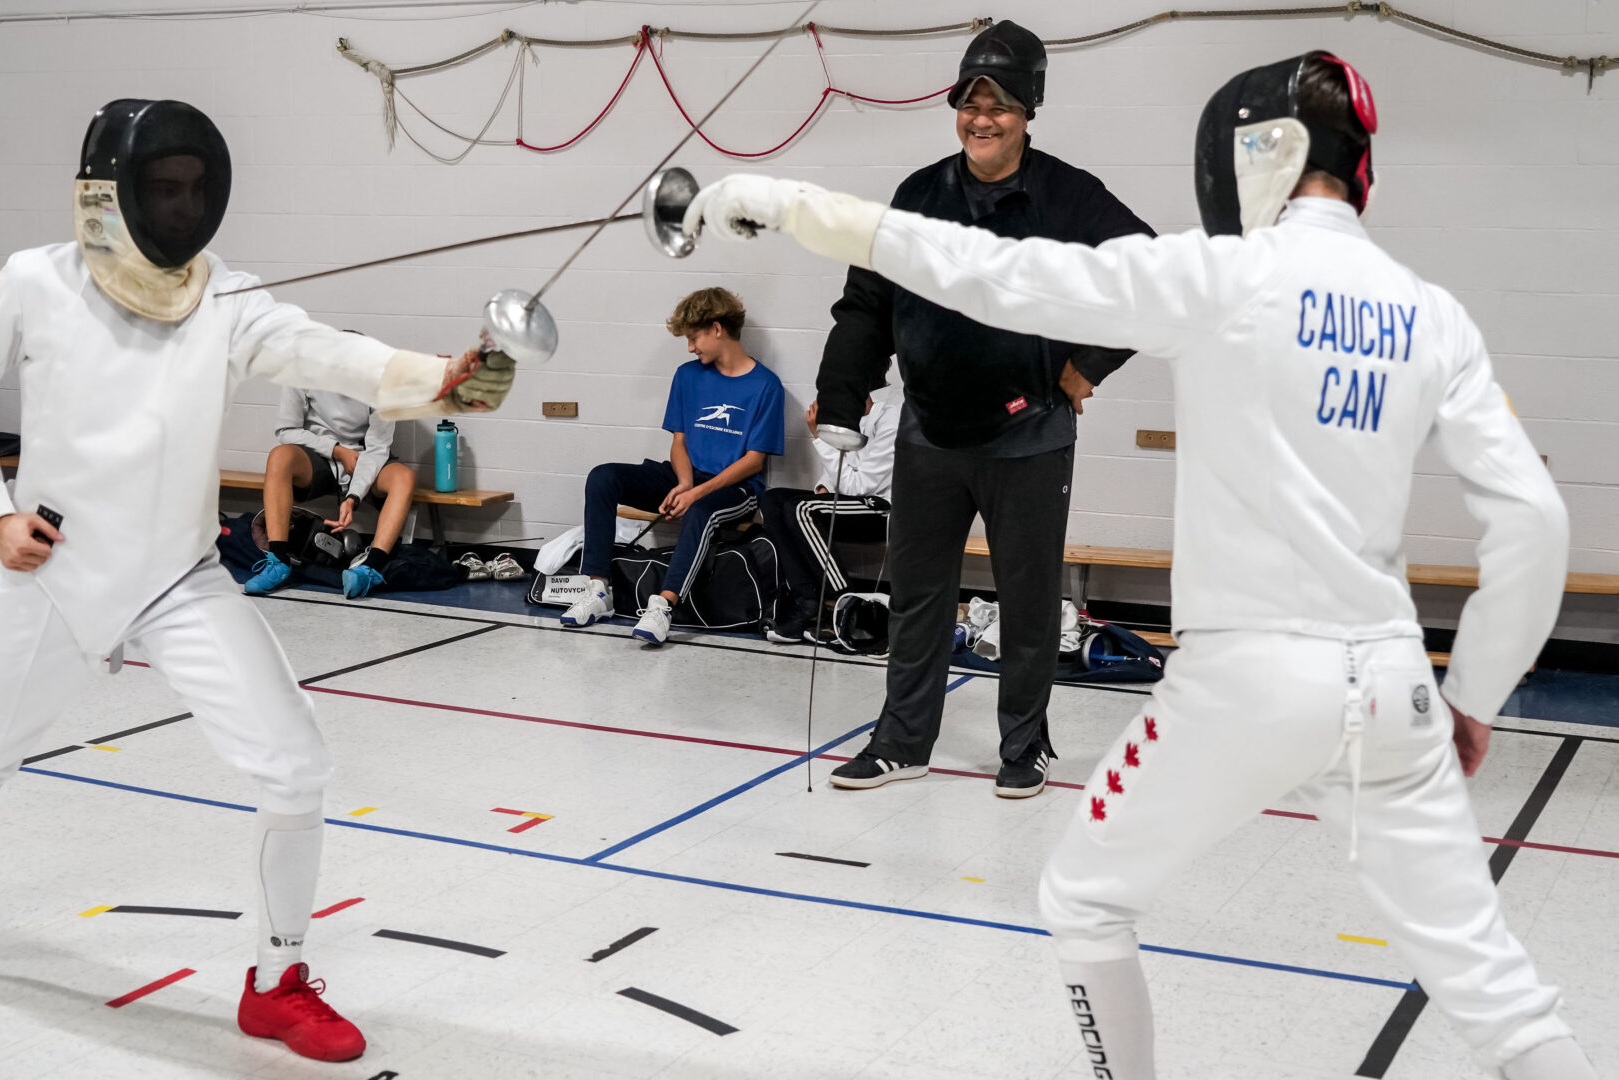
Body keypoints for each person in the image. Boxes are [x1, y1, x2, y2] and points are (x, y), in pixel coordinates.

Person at [682, 48, 1596, 1080]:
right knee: (1503, 999)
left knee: (1082, 901)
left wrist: (793, 203)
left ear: (1251, 155)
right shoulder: (1433, 314)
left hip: (1243, 682)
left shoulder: (1221, 275)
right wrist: (1473, 696)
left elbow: (992, 272)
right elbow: (1533, 521)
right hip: (1392, 686)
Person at [0, 99, 513, 1063]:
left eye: (197, 186)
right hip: (51, 576)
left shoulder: (226, 297)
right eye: (165, 186)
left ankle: (277, 980)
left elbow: (327, 352)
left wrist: (440, 377)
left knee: (295, 766)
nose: (184, 206)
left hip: (179, 578)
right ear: (109, 192)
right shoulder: (34, 279)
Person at [769, 21, 1155, 798]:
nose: (983, 119)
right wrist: (843, 388)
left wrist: (1086, 368)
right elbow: (867, 302)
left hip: (1030, 435)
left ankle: (1026, 746)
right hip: (930, 434)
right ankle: (902, 740)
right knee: (917, 594)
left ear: (1029, 110)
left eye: (1001, 106)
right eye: (971, 103)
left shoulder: (1066, 196)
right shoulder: (918, 196)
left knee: (1028, 597)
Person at [560, 287, 784, 645]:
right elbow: (679, 440)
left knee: (702, 509)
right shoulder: (687, 375)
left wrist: (696, 492)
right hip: (686, 477)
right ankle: (599, 590)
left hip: (735, 488)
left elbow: (753, 461)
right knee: (603, 477)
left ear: (716, 328)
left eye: (693, 338)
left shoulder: (766, 386)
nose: (691, 348)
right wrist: (683, 483)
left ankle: (663, 607)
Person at [244, 383, 418, 600]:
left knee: (404, 477)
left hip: (367, 460)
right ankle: (279, 561)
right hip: (320, 457)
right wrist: (336, 450)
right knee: (280, 456)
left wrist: (353, 497)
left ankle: (370, 569)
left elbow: (377, 449)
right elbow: (286, 431)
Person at [759, 379, 899, 644]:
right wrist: (824, 486)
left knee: (802, 509)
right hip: (853, 501)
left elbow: (859, 486)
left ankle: (844, 604)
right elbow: (837, 472)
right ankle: (807, 600)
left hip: (883, 510)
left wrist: (818, 437)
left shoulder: (887, 420)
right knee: (774, 500)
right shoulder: (846, 421)